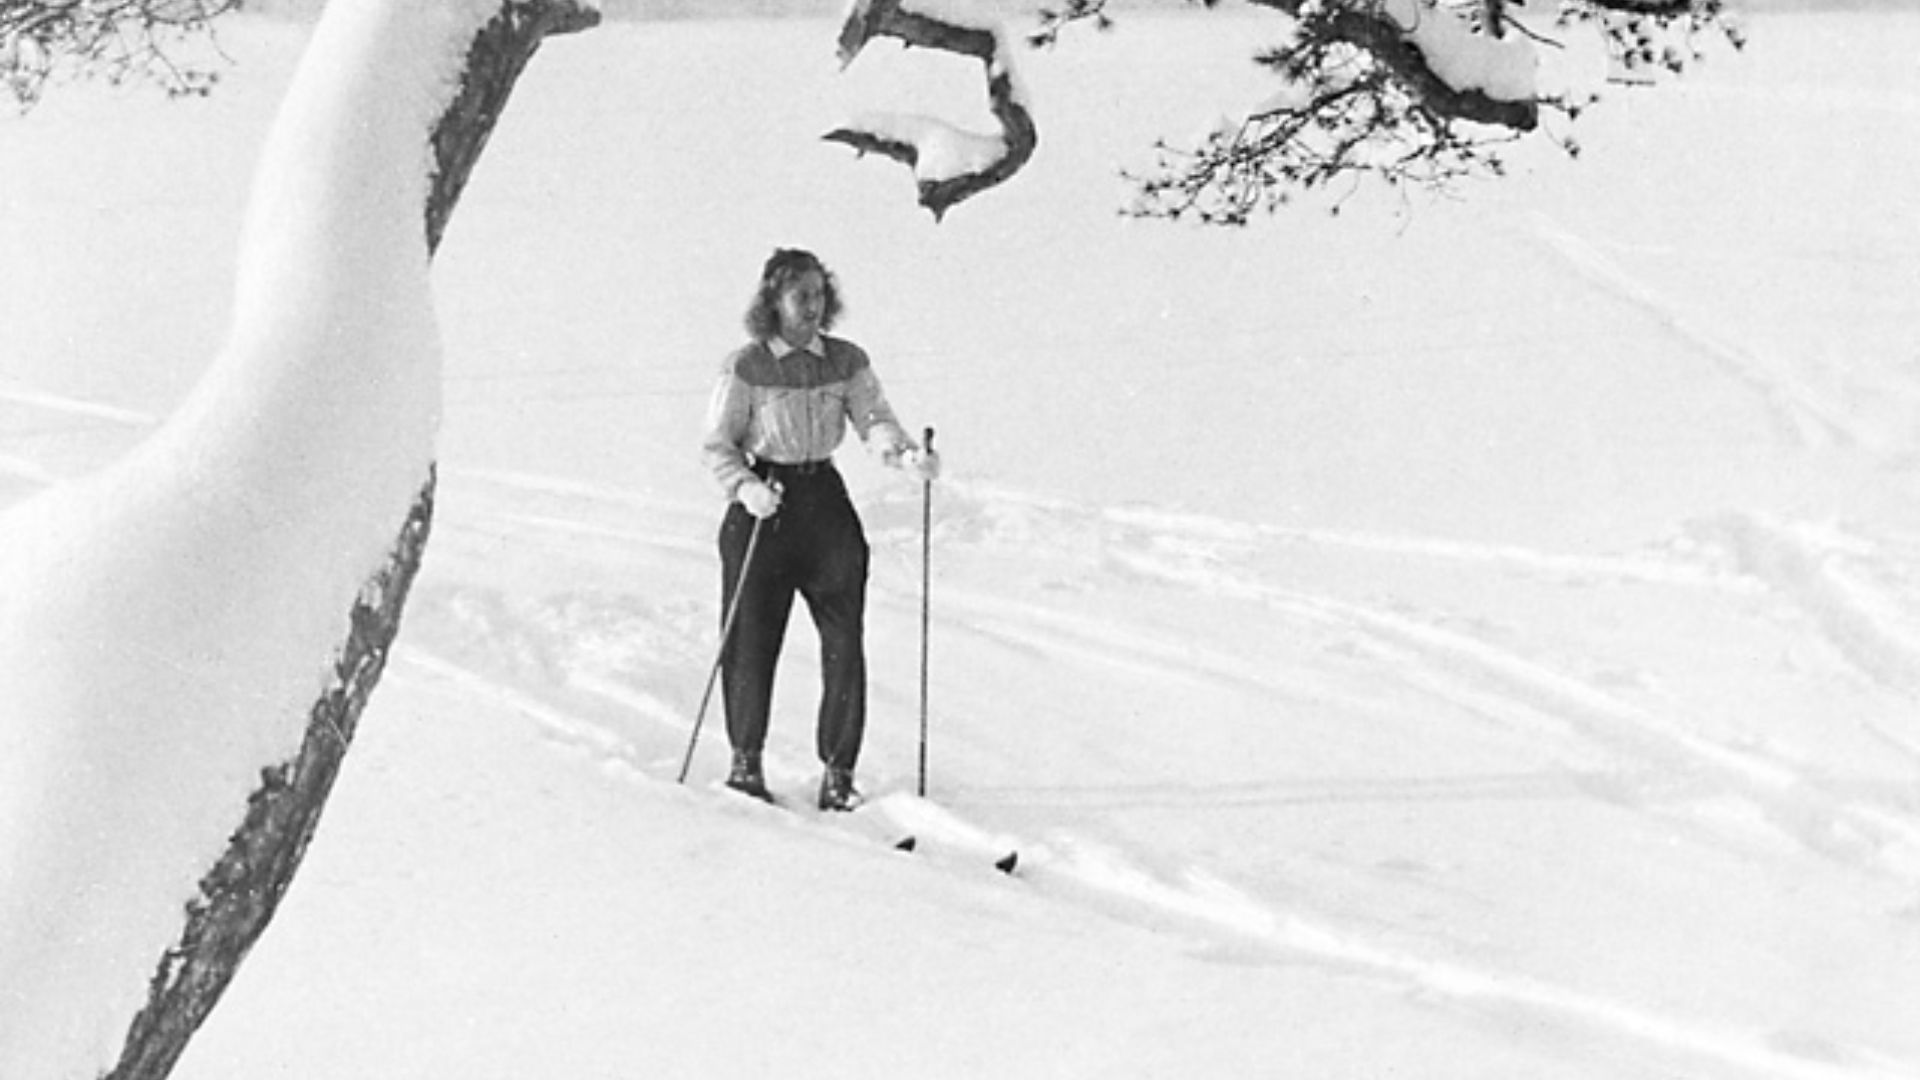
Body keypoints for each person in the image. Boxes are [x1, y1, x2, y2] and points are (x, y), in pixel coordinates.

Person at [700, 248, 939, 811]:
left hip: (823, 502)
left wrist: (906, 459)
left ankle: (838, 770)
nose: (812, 306)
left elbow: (874, 419)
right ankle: (745, 762)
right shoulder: (747, 366)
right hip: (763, 504)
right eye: (799, 295)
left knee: (844, 637)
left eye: (818, 293)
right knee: (752, 640)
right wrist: (745, 488)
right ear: (773, 302)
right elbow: (717, 445)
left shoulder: (846, 360)